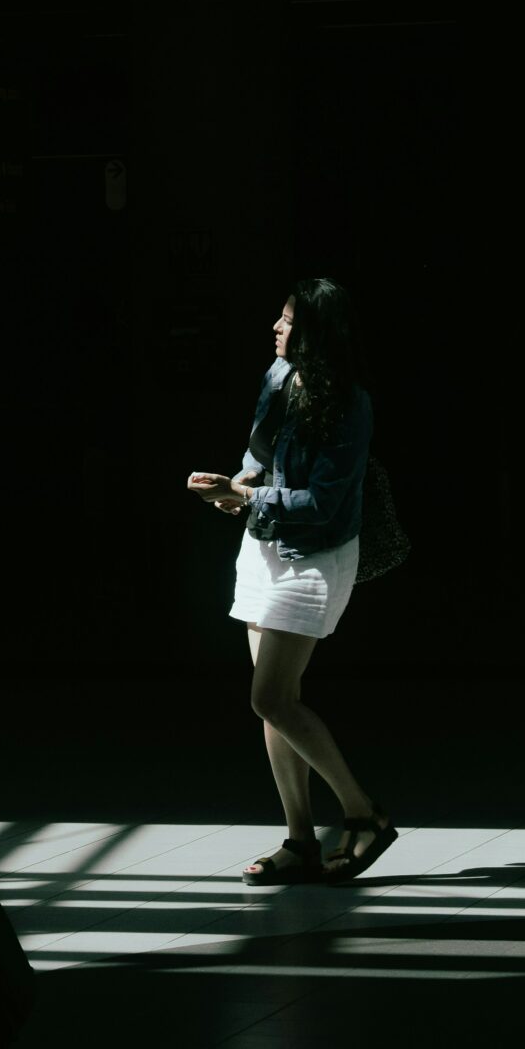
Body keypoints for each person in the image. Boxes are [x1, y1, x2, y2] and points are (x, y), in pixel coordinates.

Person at [188, 278, 394, 886]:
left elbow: (324, 503)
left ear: (317, 336)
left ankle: (364, 814)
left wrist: (247, 496)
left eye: (287, 322)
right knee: (274, 704)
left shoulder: (350, 403)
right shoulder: (278, 378)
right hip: (264, 546)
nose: (275, 329)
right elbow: (262, 452)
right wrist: (236, 483)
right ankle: (300, 840)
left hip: (313, 558)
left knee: (270, 698)